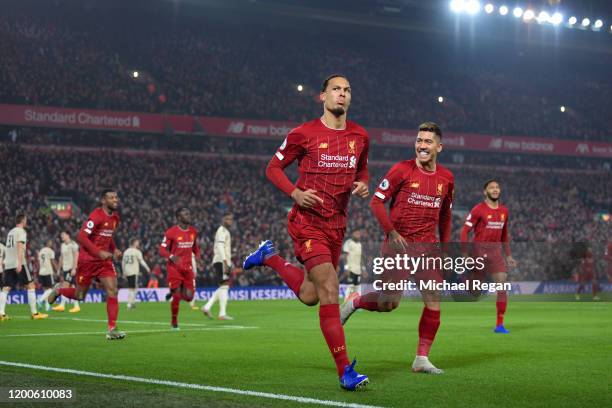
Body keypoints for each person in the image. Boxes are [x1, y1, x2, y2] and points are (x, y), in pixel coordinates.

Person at [243, 74, 370, 390]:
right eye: (336, 90)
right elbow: (272, 168)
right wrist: (295, 194)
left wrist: (364, 183)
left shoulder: (360, 136)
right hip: (307, 222)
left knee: (312, 295)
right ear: (323, 96)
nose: (342, 94)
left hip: (337, 225)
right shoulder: (304, 133)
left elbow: (363, 168)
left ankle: (269, 258)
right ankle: (345, 371)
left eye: (347, 90)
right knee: (330, 287)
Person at [341, 122, 454, 375]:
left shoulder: (446, 178)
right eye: (419, 140)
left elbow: (445, 216)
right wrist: (391, 231)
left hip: (428, 250)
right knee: (388, 304)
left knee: (434, 301)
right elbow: (377, 202)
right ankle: (355, 302)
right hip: (399, 248)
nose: (422, 145)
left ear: (439, 147)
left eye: (427, 141)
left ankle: (421, 358)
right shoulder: (401, 169)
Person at [47, 190, 125, 340]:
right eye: (111, 197)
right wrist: (99, 252)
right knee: (80, 295)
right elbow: (81, 237)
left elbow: (108, 236)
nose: (115, 200)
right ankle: (59, 291)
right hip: (88, 260)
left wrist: (114, 249)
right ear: (103, 200)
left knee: (113, 291)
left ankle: (112, 328)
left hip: (104, 262)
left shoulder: (115, 218)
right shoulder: (96, 216)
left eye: (116, 197)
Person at [460, 179, 518, 333]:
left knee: (502, 287)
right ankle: (467, 279)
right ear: (485, 192)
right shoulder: (478, 209)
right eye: (491, 187)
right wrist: (465, 253)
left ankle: (500, 324)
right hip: (479, 252)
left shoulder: (504, 211)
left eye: (497, 187)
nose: (495, 189)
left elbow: (504, 234)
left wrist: (509, 256)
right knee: (475, 292)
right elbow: (464, 231)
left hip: (496, 254)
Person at [0, 214, 48, 320]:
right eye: (25, 220)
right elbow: (20, 246)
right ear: (23, 221)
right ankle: (35, 313)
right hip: (18, 262)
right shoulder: (21, 231)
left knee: (6, 288)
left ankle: (1, 313)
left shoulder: (10, 232)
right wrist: (20, 262)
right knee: (31, 286)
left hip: (8, 263)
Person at [159, 208, 201, 329]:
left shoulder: (193, 231)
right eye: (185, 214)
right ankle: (174, 322)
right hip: (174, 268)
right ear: (178, 217)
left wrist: (198, 256)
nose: (189, 215)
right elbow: (161, 249)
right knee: (177, 296)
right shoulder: (171, 232)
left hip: (188, 269)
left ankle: (174, 292)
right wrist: (171, 256)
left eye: (189, 213)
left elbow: (195, 247)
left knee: (189, 297)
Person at [202, 213, 234, 319]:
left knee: (223, 286)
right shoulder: (222, 231)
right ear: (223, 219)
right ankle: (221, 313)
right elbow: (220, 247)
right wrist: (225, 262)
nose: (230, 221)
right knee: (224, 286)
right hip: (221, 261)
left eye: (231, 219)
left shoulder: (226, 231)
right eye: (228, 219)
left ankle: (208, 307)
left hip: (222, 261)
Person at [53, 231, 80, 312]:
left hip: (71, 268)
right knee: (71, 287)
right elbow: (61, 257)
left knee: (65, 285)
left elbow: (76, 256)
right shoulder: (63, 245)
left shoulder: (73, 244)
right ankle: (76, 306)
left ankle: (62, 305)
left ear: (68, 235)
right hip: (65, 269)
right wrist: (58, 269)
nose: (61, 236)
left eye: (63, 235)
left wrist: (74, 268)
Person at [122, 238, 150, 309]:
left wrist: (123, 272)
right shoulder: (136, 252)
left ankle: (132, 302)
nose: (138, 243)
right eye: (137, 242)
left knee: (135, 287)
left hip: (127, 271)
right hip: (133, 271)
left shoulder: (126, 251)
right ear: (134, 243)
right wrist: (147, 268)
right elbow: (141, 261)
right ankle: (129, 303)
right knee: (132, 288)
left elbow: (123, 263)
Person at [341, 230, 363, 300]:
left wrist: (363, 268)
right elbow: (345, 256)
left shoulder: (359, 244)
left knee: (357, 287)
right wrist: (346, 268)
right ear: (352, 234)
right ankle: (346, 302)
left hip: (358, 270)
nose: (358, 235)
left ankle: (356, 303)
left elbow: (360, 257)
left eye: (359, 234)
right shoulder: (348, 243)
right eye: (356, 233)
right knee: (350, 286)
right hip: (351, 269)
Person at [37, 239, 58, 311]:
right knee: (51, 289)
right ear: (48, 243)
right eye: (50, 242)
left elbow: (39, 262)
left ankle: (47, 306)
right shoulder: (50, 251)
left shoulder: (41, 251)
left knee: (46, 290)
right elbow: (53, 261)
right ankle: (40, 300)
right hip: (48, 271)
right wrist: (57, 270)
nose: (51, 243)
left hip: (41, 272)